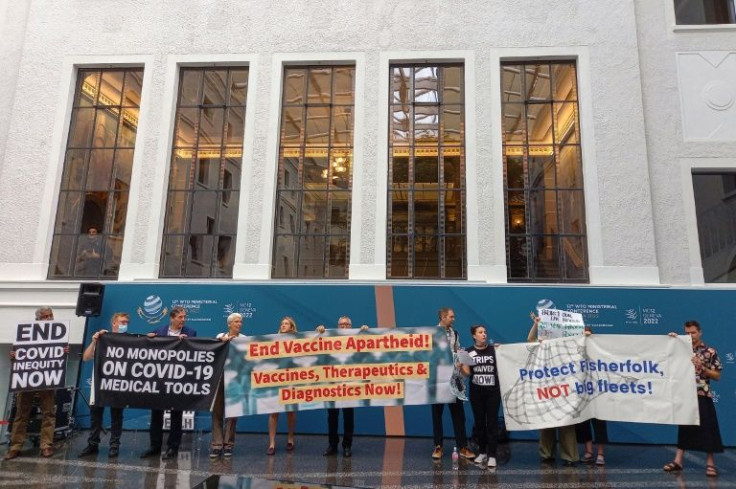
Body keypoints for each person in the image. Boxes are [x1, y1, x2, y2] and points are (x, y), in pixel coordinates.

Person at [663, 320, 723, 478]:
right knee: (684, 427)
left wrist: (702, 367)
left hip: (702, 394)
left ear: (700, 332)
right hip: (685, 394)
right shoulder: (681, 349)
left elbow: (717, 376)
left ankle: (710, 464)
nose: (690, 336)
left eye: (693, 333)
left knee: (708, 429)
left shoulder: (710, 351)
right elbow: (666, 354)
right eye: (687, 333)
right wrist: (672, 340)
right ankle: (678, 461)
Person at [4, 307, 64, 460]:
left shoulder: (58, 334)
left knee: (48, 413)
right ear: (38, 319)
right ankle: (15, 446)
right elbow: (19, 354)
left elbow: (57, 356)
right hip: (27, 379)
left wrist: (63, 351)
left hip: (47, 379)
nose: (49, 318)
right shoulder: (27, 332)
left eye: (51, 315)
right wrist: (14, 356)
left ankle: (46, 446)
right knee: (21, 414)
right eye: (45, 316)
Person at [140, 307, 197, 460]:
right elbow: (149, 351)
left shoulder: (191, 333)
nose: (183, 320)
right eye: (180, 317)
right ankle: (155, 446)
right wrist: (149, 339)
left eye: (184, 317)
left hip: (178, 380)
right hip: (159, 380)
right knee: (156, 414)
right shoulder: (159, 330)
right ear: (172, 318)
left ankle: (173, 447)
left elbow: (194, 353)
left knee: (176, 415)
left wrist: (187, 343)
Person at [527, 314, 579, 466]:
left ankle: (570, 457)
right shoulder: (541, 345)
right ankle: (546, 454)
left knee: (567, 425)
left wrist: (586, 336)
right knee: (546, 424)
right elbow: (530, 340)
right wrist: (536, 325)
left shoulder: (567, 345)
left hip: (565, 390)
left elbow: (581, 346)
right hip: (546, 390)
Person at [78, 312, 130, 458]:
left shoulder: (130, 339)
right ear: (114, 323)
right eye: (122, 322)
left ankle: (114, 445)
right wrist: (94, 341)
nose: (124, 325)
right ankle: (92, 444)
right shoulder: (103, 338)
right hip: (99, 383)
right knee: (96, 415)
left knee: (117, 416)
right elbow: (86, 357)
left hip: (119, 384)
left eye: (126, 323)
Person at [316, 316, 369, 458]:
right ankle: (332, 444)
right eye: (341, 324)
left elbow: (368, 348)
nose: (344, 326)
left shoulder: (357, 338)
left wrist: (366, 332)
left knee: (348, 416)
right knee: (332, 416)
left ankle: (347, 445)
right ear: (338, 326)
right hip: (333, 384)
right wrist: (320, 332)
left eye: (347, 324)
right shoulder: (330, 338)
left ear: (351, 327)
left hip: (350, 385)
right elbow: (318, 348)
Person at [431, 307, 474, 461]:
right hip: (438, 380)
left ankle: (462, 446)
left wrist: (461, 363)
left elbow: (457, 351)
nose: (454, 319)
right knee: (437, 414)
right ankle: (438, 446)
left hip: (453, 379)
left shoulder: (455, 334)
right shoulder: (432, 333)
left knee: (458, 414)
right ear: (443, 317)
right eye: (451, 316)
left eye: (453, 316)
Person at [459, 325, 501, 469]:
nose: (483, 334)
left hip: (493, 393)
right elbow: (466, 374)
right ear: (474, 336)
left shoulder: (494, 350)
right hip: (477, 393)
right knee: (480, 424)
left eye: (485, 332)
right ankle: (482, 452)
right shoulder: (468, 352)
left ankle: (493, 456)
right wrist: (460, 366)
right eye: (480, 332)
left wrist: (502, 351)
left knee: (492, 423)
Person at [209, 312, 245, 460]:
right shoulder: (220, 336)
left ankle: (228, 444)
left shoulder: (244, 340)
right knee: (217, 411)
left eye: (240, 322)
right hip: (220, 377)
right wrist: (221, 341)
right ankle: (217, 445)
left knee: (232, 413)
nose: (239, 324)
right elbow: (213, 349)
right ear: (229, 324)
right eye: (236, 322)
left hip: (235, 378)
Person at [576, 326, 608, 465]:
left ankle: (601, 454)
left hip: (597, 392)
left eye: (587, 335)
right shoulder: (576, 351)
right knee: (582, 423)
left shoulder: (600, 351)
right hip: (582, 393)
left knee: (599, 423)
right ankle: (589, 452)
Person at [267, 316, 298, 455]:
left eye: (286, 323)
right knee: (273, 412)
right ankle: (272, 443)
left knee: (290, 411)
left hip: (291, 379)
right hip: (275, 379)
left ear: (291, 327)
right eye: (282, 323)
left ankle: (290, 439)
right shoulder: (273, 340)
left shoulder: (298, 341)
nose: (283, 325)